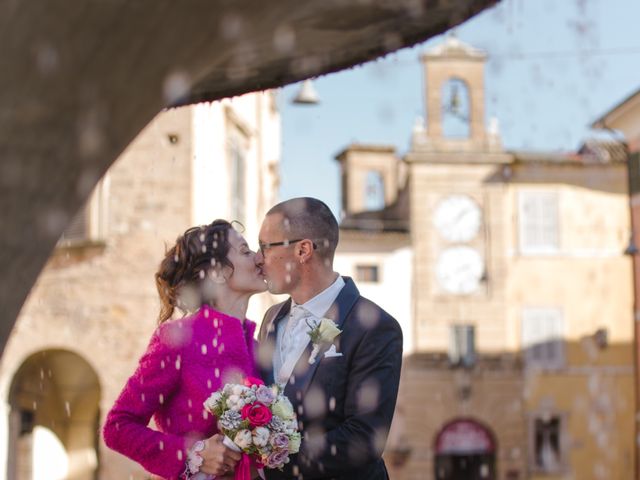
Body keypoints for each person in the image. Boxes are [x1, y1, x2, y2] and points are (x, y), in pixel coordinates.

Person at [103, 220, 266, 479]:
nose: (259, 258)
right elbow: (117, 427)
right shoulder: (177, 340)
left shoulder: (257, 347)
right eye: (245, 251)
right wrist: (195, 453)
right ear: (218, 272)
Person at [255, 197, 403, 480]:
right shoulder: (272, 318)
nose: (259, 259)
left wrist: (266, 464)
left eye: (265, 247)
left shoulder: (375, 327)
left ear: (303, 250)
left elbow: (362, 438)